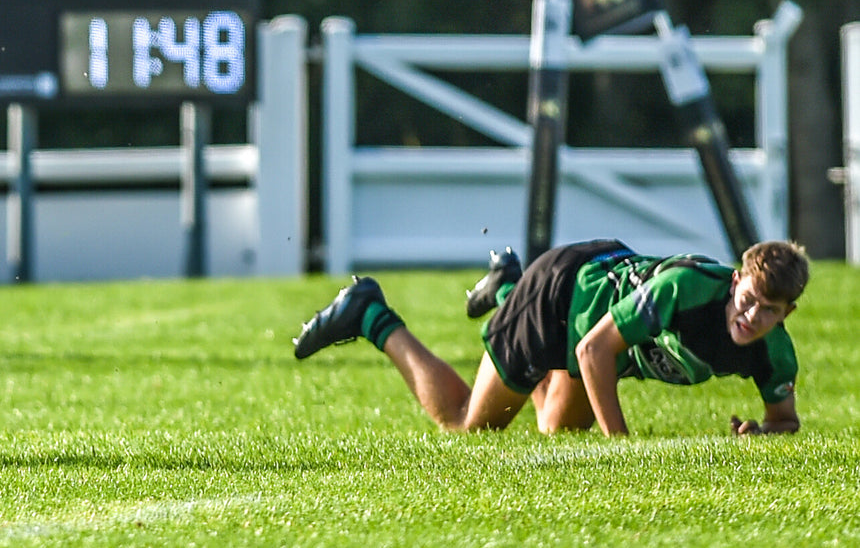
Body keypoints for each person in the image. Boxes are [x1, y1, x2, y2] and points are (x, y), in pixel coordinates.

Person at [292, 238, 808, 437]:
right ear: (736, 279)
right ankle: (369, 315)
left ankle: (504, 288)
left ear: (786, 314)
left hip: (592, 318)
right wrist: (620, 445)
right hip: (561, 294)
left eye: (769, 311)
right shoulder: (687, 289)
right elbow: (592, 350)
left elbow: (785, 421)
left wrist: (762, 433)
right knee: (468, 424)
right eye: (748, 298)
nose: (751, 316)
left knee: (556, 430)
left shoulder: (775, 353)